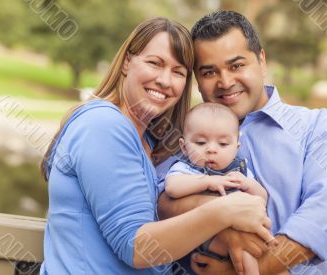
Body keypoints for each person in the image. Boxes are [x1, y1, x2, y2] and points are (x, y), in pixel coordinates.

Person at [39, 17, 274, 275]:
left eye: (178, 72)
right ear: (127, 62)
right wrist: (224, 211)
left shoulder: (149, 141)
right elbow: (137, 247)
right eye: (155, 63)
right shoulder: (104, 125)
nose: (164, 80)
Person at [157, 11, 327, 275]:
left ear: (261, 61)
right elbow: (161, 200)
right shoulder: (188, 132)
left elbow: (324, 217)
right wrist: (224, 223)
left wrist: (248, 270)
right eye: (209, 71)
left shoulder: (317, 128)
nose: (225, 82)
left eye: (236, 65)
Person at [165, 102, 269, 275]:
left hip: (241, 231)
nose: (211, 149)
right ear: (184, 147)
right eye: (200, 142)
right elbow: (172, 188)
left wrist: (247, 184)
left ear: (236, 148)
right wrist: (207, 181)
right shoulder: (187, 168)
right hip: (205, 235)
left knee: (249, 249)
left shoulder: (239, 171)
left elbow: (262, 197)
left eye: (222, 144)